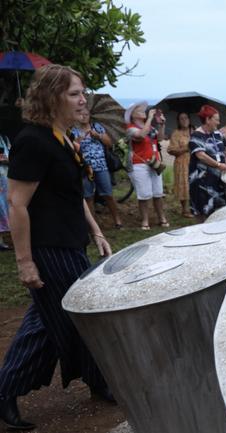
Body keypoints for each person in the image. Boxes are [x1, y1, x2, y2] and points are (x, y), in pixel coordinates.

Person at [0, 64, 115, 431]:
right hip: (49, 249)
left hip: (70, 243)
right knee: (66, 319)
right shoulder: (33, 140)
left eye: (82, 92)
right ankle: (6, 390)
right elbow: (16, 203)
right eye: (74, 94)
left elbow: (73, 195)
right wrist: (24, 262)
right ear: (51, 97)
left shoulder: (60, 137)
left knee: (50, 318)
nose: (83, 100)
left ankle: (96, 379)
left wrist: (96, 231)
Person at [71, 109, 123, 229]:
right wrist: (77, 142)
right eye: (80, 114)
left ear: (90, 116)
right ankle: (94, 226)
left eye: (86, 114)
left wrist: (98, 135)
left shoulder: (97, 127)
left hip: (101, 166)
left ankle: (117, 220)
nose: (84, 116)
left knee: (108, 194)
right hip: (84, 168)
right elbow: (72, 149)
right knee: (88, 196)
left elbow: (109, 144)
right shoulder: (73, 130)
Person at [125, 101, 169, 230]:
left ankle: (161, 217)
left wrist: (162, 125)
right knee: (144, 194)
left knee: (158, 192)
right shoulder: (130, 128)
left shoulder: (150, 127)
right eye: (139, 110)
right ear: (132, 115)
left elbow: (160, 138)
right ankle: (145, 220)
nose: (143, 112)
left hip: (154, 163)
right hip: (139, 164)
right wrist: (150, 118)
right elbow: (141, 135)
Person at [167, 112, 194, 218]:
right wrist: (186, 148)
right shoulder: (176, 133)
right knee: (183, 185)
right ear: (178, 121)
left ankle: (194, 207)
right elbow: (171, 150)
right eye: (181, 118)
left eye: (186, 118)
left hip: (194, 161)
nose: (184, 120)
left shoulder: (194, 131)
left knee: (194, 184)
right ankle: (185, 210)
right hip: (182, 162)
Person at [0, 134, 10, 250]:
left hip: (5, 179)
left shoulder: (5, 139)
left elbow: (11, 154)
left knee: (4, 208)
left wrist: (7, 159)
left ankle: (4, 239)